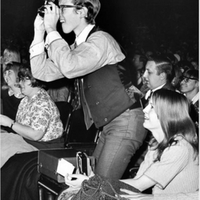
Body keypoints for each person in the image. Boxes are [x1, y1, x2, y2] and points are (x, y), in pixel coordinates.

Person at [29, 0, 147, 179]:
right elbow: (41, 72)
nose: (58, 14)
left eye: (63, 7)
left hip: (125, 121)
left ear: (82, 11)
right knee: (90, 183)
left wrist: (52, 30)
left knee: (98, 188)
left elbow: (69, 66)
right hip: (110, 124)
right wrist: (39, 31)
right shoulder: (79, 47)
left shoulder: (101, 40)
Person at [64, 89, 199, 197]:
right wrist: (91, 181)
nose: (145, 110)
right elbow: (135, 183)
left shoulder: (179, 148)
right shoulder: (156, 145)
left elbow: (139, 185)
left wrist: (92, 183)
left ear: (168, 115)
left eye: (152, 107)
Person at [0, 64, 64, 167]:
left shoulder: (42, 102)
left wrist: (9, 123)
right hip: (28, 142)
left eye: (22, 80)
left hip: (44, 148)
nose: (19, 83)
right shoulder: (26, 99)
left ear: (32, 80)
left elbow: (35, 135)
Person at [1, 62, 24, 133]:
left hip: (21, 134)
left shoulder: (26, 97)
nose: (6, 76)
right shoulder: (4, 92)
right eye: (5, 73)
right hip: (6, 132)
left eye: (9, 73)